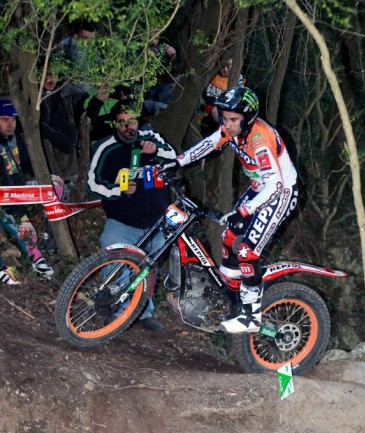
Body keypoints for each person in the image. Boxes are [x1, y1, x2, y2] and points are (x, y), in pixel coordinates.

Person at [176, 87, 299, 333]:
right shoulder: (232, 130)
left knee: (247, 251)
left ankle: (251, 317)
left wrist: (245, 210)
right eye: (224, 117)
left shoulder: (259, 139)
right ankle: (231, 298)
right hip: (259, 188)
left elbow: (275, 185)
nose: (227, 124)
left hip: (281, 193)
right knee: (229, 237)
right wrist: (177, 162)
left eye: (233, 119)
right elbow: (208, 145)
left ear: (248, 118)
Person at [87, 101, 178, 331]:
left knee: (147, 267)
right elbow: (92, 183)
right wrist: (118, 190)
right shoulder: (105, 147)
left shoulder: (150, 137)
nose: (129, 127)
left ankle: (143, 312)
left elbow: (175, 159)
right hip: (122, 221)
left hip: (155, 220)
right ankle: (114, 309)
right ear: (115, 123)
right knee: (116, 263)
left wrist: (155, 150)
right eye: (123, 122)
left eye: (132, 121)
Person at [0, 99, 55, 279]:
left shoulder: (16, 137)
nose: (10, 124)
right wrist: (23, 215)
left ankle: (49, 237)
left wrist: (45, 178)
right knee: (17, 223)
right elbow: (6, 186)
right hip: (6, 197)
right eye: (5, 119)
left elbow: (28, 163)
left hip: (21, 188)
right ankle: (36, 258)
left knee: (57, 187)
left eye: (13, 119)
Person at [40, 70, 79, 201]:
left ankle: (69, 179)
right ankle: (58, 183)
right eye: (47, 76)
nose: (51, 80)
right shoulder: (35, 94)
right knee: (48, 142)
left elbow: (58, 119)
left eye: (54, 75)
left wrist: (70, 133)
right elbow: (40, 124)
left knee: (70, 137)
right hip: (37, 131)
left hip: (50, 126)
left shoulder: (55, 92)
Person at [198, 56, 245, 136]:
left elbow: (240, 98)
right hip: (205, 110)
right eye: (223, 66)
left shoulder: (238, 78)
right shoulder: (211, 73)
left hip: (224, 112)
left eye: (229, 66)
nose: (225, 70)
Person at [58, 19, 97, 115]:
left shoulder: (87, 48)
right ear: (76, 35)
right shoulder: (67, 46)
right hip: (73, 93)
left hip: (87, 92)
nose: (89, 43)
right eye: (86, 39)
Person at [142, 38, 178, 116]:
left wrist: (172, 56)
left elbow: (173, 69)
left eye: (157, 37)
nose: (154, 40)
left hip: (164, 85)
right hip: (148, 89)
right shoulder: (140, 50)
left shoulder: (163, 47)